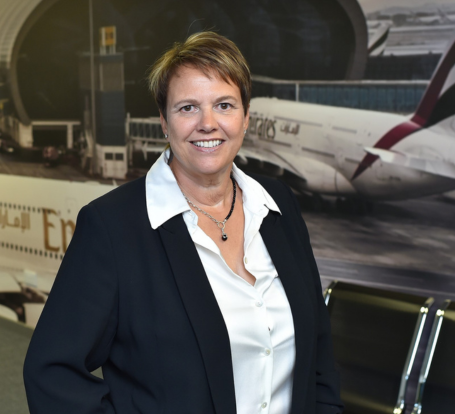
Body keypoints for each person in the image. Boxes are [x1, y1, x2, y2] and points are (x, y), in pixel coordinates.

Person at [23, 31, 343, 414]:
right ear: (164, 121)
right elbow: (52, 373)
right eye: (188, 107)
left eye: (224, 105)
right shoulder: (112, 227)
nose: (208, 123)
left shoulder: (278, 205)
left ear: (245, 119)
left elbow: (318, 353)